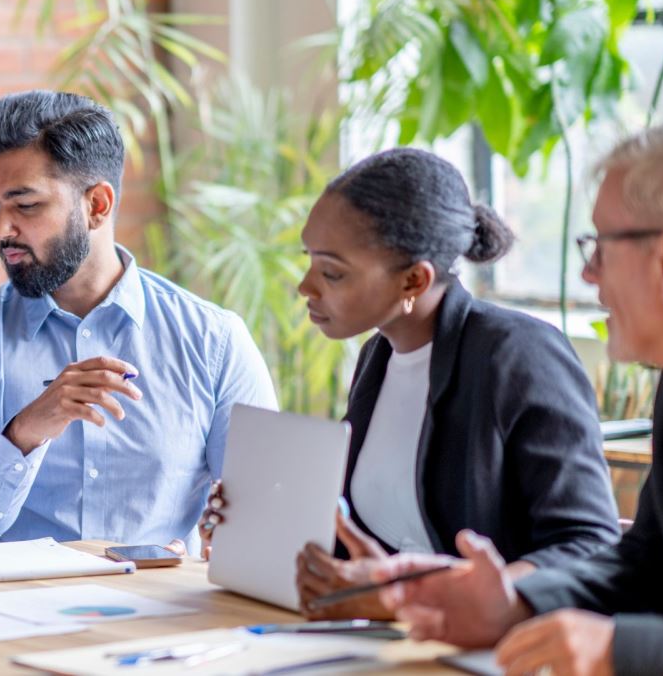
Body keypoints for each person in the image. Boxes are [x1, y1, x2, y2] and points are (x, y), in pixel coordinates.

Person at [375, 112, 663, 675]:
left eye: (601, 248)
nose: (588, 275)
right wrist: (517, 603)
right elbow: (648, 565)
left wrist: (620, 650)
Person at [200, 147, 618, 619]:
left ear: (414, 281)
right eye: (310, 261)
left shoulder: (519, 355)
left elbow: (589, 547)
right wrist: (258, 527)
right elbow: (378, 540)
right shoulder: (378, 358)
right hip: (396, 643)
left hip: (497, 653)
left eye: (331, 272)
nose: (305, 286)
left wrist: (411, 593)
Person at [0, 91, 278, 549]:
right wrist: (25, 432)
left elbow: (268, 524)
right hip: (18, 616)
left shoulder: (214, 341)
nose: (1, 231)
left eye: (25, 206)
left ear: (97, 205)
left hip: (160, 614)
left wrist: (216, 545)